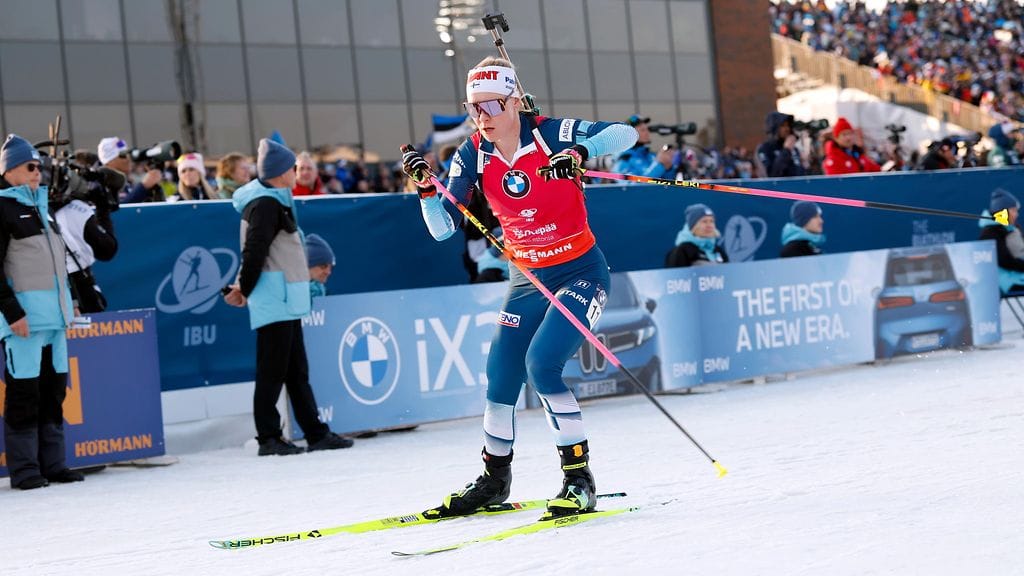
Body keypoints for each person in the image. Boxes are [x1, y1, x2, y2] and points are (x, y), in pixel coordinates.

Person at [401, 56, 638, 518]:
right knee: (502, 372)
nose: (482, 116)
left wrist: (578, 154)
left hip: (579, 273)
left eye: (490, 105)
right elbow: (443, 229)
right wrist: (427, 191)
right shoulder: (472, 153)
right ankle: (494, 479)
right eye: (473, 107)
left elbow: (624, 134)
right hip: (527, 278)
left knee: (541, 365)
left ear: (513, 100)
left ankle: (578, 478)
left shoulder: (550, 133)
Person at [223, 138, 353, 456]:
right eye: (293, 168)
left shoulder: (274, 200)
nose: (297, 172)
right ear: (282, 172)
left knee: (296, 371)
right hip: (274, 299)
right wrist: (245, 288)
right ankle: (268, 437)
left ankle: (315, 432)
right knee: (272, 371)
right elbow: (254, 251)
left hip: (285, 299)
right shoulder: (265, 204)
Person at [0, 134, 80, 489]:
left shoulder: (41, 208)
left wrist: (72, 298)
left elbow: (59, 264)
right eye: (31, 166)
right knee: (24, 393)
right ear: (10, 170)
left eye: (40, 166)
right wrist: (12, 312)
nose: (38, 172)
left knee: (54, 392)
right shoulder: (2, 208)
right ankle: (26, 469)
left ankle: (54, 464)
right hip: (25, 323)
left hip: (55, 320)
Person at [978, 189, 1024, 293]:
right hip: (1005, 282)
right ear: (1002, 212)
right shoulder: (990, 232)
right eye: (1013, 210)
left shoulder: (1014, 227)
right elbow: (1004, 260)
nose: (1016, 214)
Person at [612, 114, 675, 179]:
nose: (647, 132)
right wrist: (659, 164)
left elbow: (667, 183)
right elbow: (632, 186)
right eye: (643, 130)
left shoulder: (650, 155)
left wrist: (668, 167)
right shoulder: (623, 159)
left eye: (647, 129)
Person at [756, 112, 805, 178]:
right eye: (782, 126)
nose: (787, 129)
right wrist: (786, 150)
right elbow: (773, 175)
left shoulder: (794, 149)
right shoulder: (764, 149)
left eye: (788, 125)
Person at [304, 233, 334, 298]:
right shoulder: (286, 295)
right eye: (323, 266)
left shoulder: (326, 298)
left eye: (331, 267)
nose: (328, 272)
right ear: (308, 266)